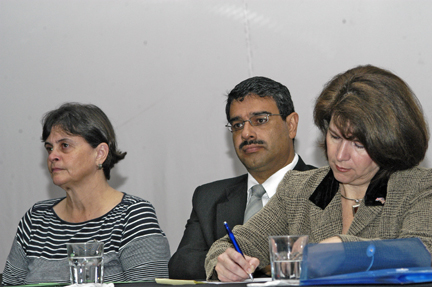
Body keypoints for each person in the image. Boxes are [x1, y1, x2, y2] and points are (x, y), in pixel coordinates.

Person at [204, 65, 432, 282]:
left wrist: (342, 249)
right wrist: (224, 262)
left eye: (358, 144)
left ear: (388, 143)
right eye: (335, 136)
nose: (340, 155)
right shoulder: (299, 189)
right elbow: (237, 244)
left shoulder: (417, 187)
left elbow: (422, 251)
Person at [2, 103, 171, 285]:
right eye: (49, 148)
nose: (52, 156)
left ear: (100, 154)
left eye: (65, 145)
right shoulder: (36, 218)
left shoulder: (133, 215)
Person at [169, 77, 315, 279]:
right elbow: (181, 265)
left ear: (291, 125)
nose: (246, 133)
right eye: (237, 125)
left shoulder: (324, 188)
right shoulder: (209, 197)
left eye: (260, 120)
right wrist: (221, 265)